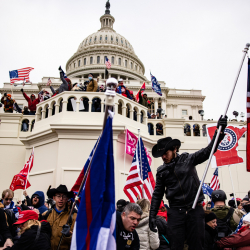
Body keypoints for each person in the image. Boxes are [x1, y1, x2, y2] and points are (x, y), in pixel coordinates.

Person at [149, 116, 228, 250]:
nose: (163, 157)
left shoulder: (188, 159)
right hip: (175, 211)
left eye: (165, 153)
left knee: (197, 245)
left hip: (194, 209)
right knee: (175, 246)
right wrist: (152, 215)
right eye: (161, 154)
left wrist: (218, 133)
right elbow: (157, 195)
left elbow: (208, 151)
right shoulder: (161, 171)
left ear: (174, 149)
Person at [39, 185, 76, 250]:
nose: (61, 199)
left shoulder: (74, 216)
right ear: (54, 198)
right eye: (58, 196)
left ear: (67, 199)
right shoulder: (46, 214)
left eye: (64, 196)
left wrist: (69, 235)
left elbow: (77, 241)